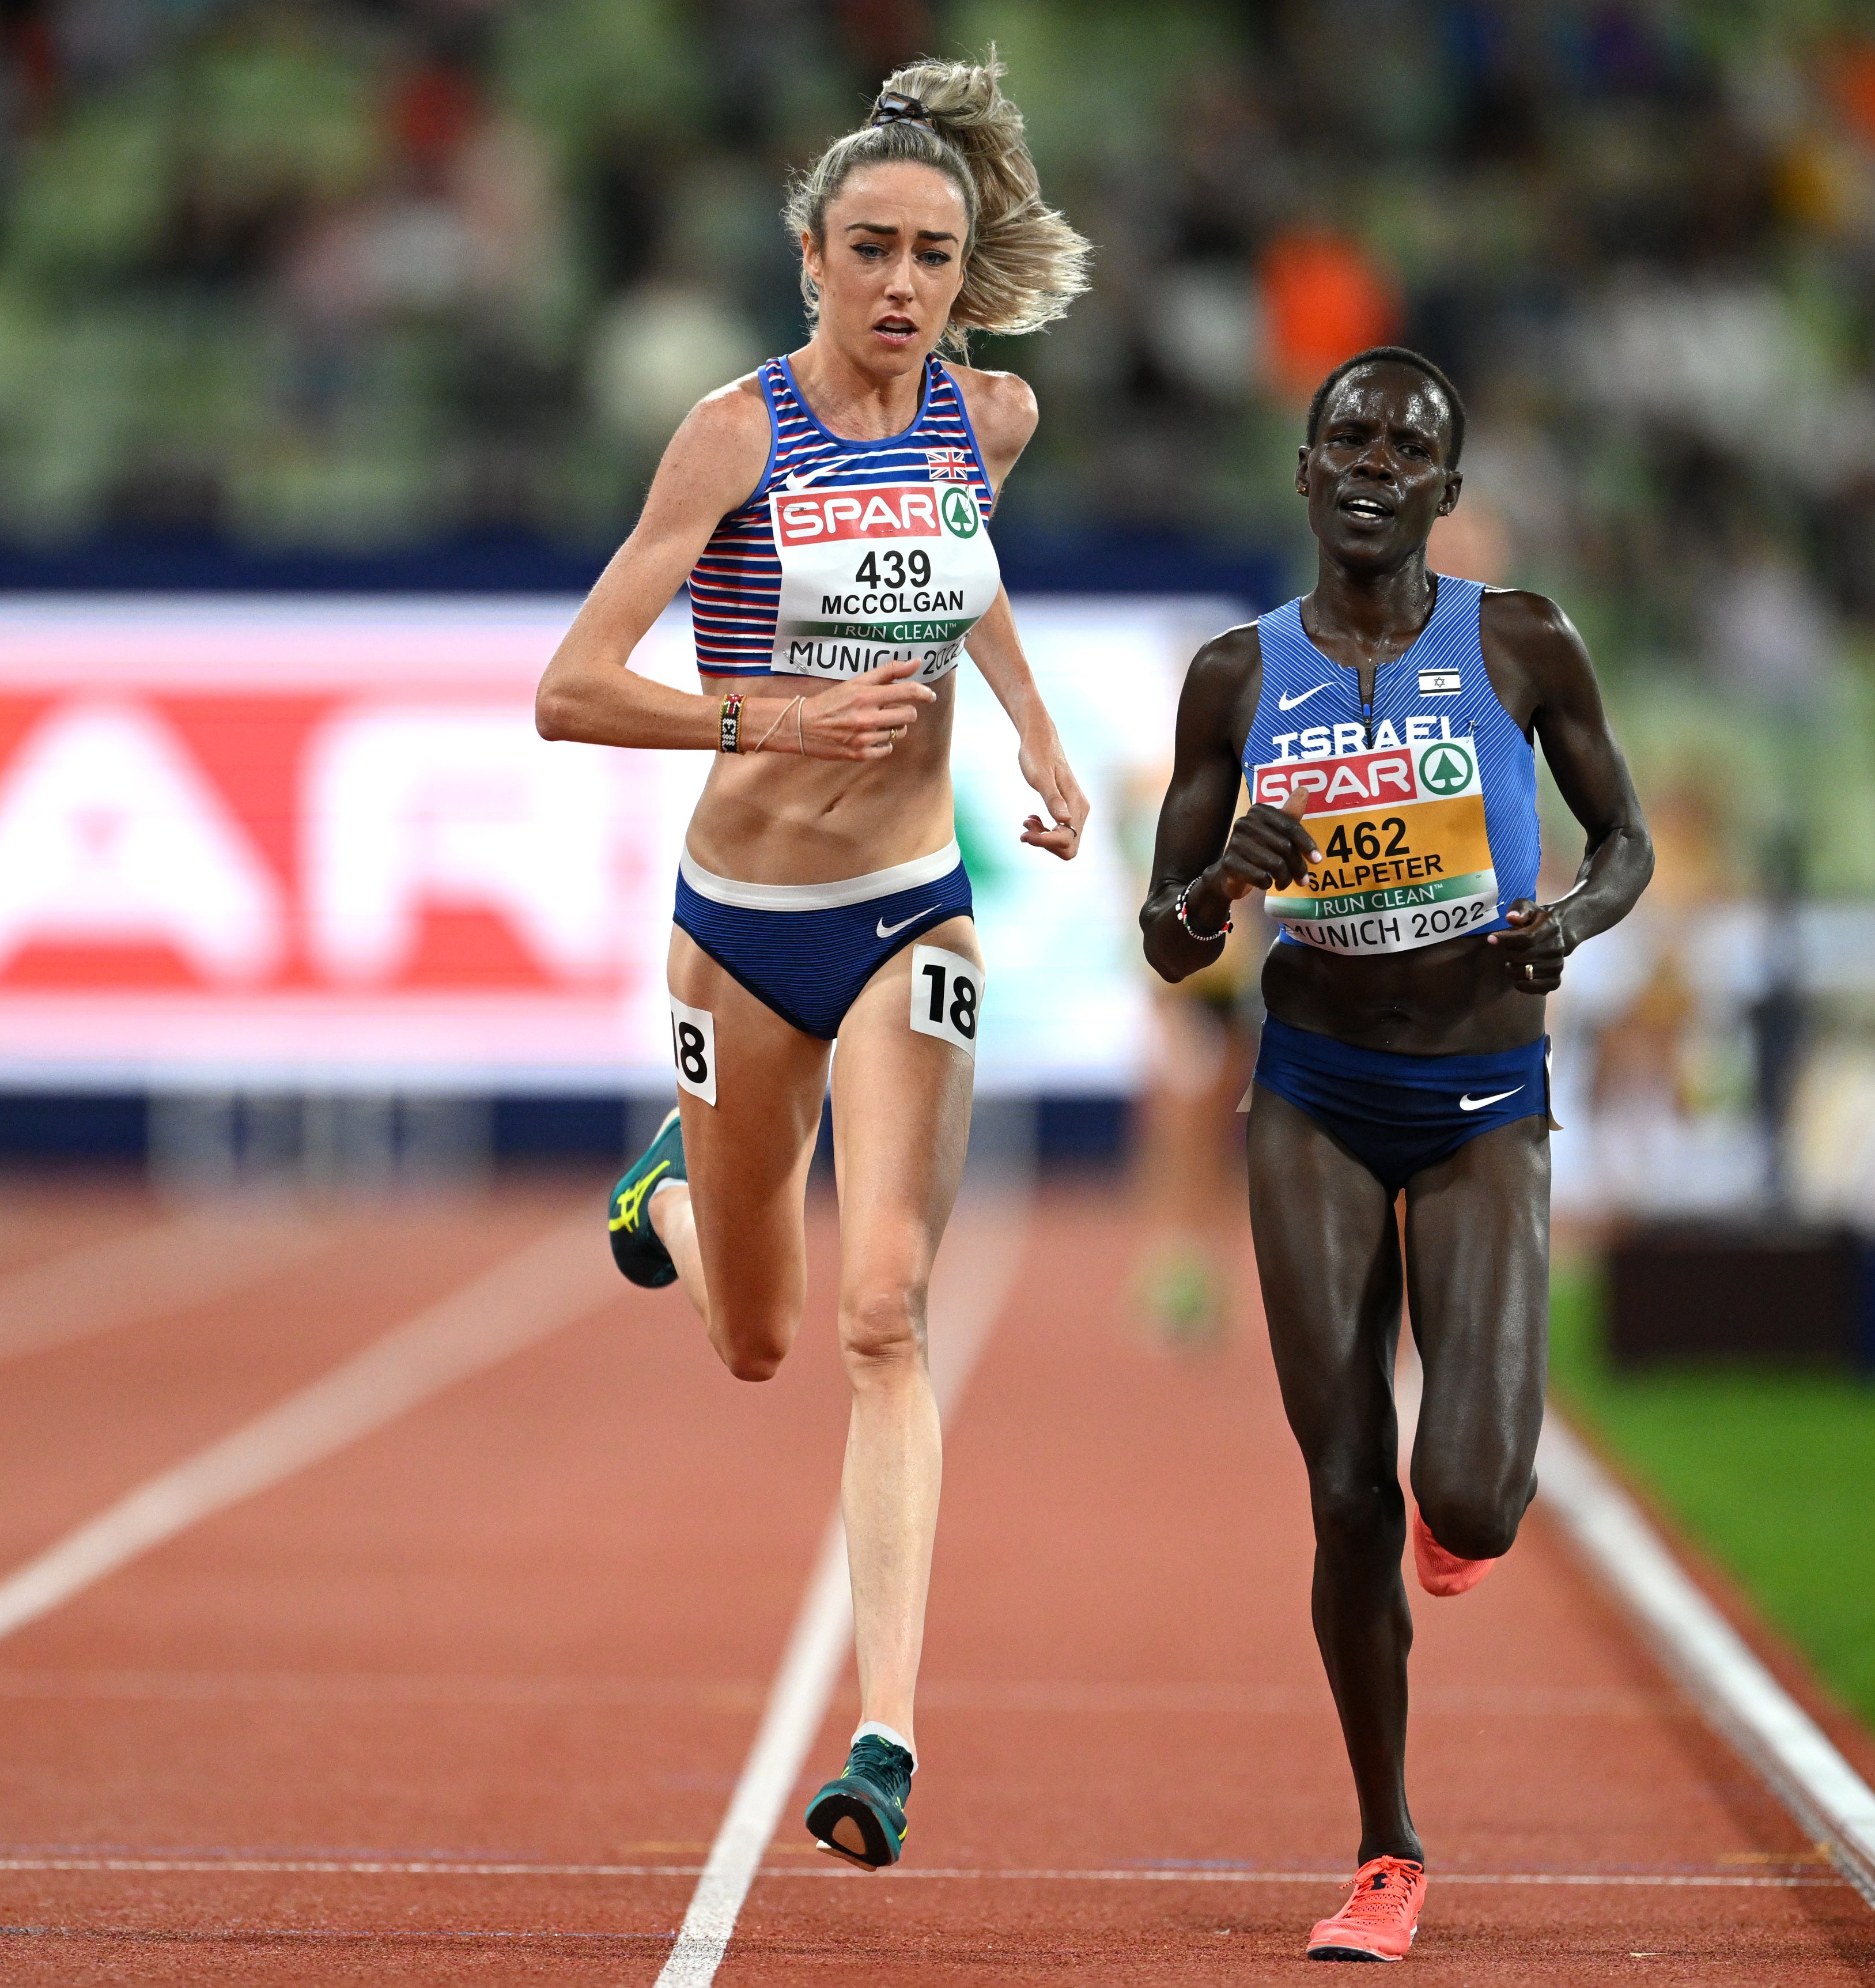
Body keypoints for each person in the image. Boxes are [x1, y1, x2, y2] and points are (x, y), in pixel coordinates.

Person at [533, 54, 1089, 1872]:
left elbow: (971, 563)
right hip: (737, 937)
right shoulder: (737, 435)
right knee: (762, 1336)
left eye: (933, 254)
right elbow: (569, 686)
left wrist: (1033, 730)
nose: (905, 288)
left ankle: (886, 1736)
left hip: (912, 907)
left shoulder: (985, 417)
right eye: (873, 250)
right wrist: (763, 712)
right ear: (810, 257)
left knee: (884, 1312)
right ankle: (674, 1205)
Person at [1140, 346, 1651, 1963]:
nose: (1371, 462)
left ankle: (1468, 1514)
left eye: (1405, 445)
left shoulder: (1523, 640)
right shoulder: (1234, 675)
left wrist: (1565, 919)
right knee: (1348, 1483)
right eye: (1344, 437)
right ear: (1304, 474)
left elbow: (1624, 839)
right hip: (1314, 1091)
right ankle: (1386, 1847)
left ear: (1444, 489)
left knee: (1472, 1498)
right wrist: (1220, 877)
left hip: (1488, 1093)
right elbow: (1162, 942)